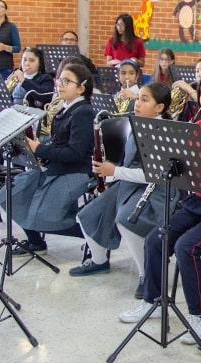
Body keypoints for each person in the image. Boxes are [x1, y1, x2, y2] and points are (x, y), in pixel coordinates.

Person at [118, 70, 201, 346]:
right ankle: (152, 300)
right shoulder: (200, 127)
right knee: (157, 237)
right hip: (198, 201)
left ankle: (200, 315)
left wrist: (197, 160)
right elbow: (187, 170)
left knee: (186, 247)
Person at [73, 82, 172, 286]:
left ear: (159, 107)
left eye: (144, 100)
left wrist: (115, 172)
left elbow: (153, 175)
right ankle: (99, 260)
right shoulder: (136, 122)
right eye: (138, 99)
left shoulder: (163, 131)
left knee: (127, 222)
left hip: (157, 190)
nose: (137, 104)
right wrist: (108, 175)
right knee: (85, 216)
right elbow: (128, 162)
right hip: (128, 184)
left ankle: (148, 275)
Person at [0, 63, 96, 257]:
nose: (60, 84)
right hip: (56, 167)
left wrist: (39, 149)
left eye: (67, 81)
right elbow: (59, 145)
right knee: (10, 196)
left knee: (42, 217)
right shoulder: (65, 108)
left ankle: (93, 237)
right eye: (60, 79)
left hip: (75, 171)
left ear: (81, 88)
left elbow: (75, 153)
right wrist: (41, 154)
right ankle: (35, 242)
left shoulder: (83, 112)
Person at [174, 57, 201, 122]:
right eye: (197, 71)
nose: (199, 74)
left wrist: (189, 90)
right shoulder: (193, 87)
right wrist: (183, 103)